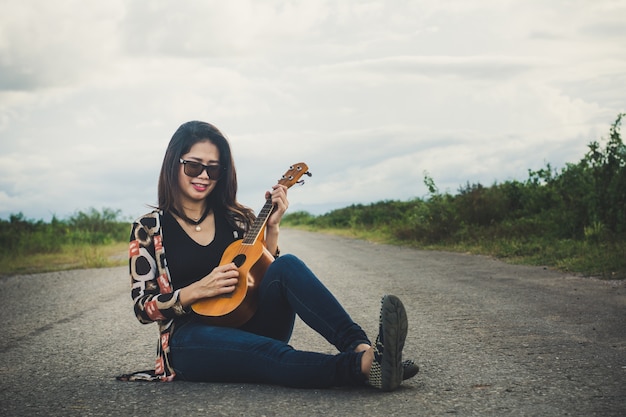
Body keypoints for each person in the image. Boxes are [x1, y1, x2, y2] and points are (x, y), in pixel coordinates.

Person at [118, 120, 418, 391]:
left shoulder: (237, 219)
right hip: (192, 341)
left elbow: (267, 275)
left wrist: (272, 229)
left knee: (286, 264)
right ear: (174, 164)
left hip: (251, 322)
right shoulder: (149, 229)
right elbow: (143, 308)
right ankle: (365, 368)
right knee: (274, 357)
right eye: (194, 166)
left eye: (214, 168)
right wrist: (197, 290)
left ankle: (362, 349)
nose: (204, 176)